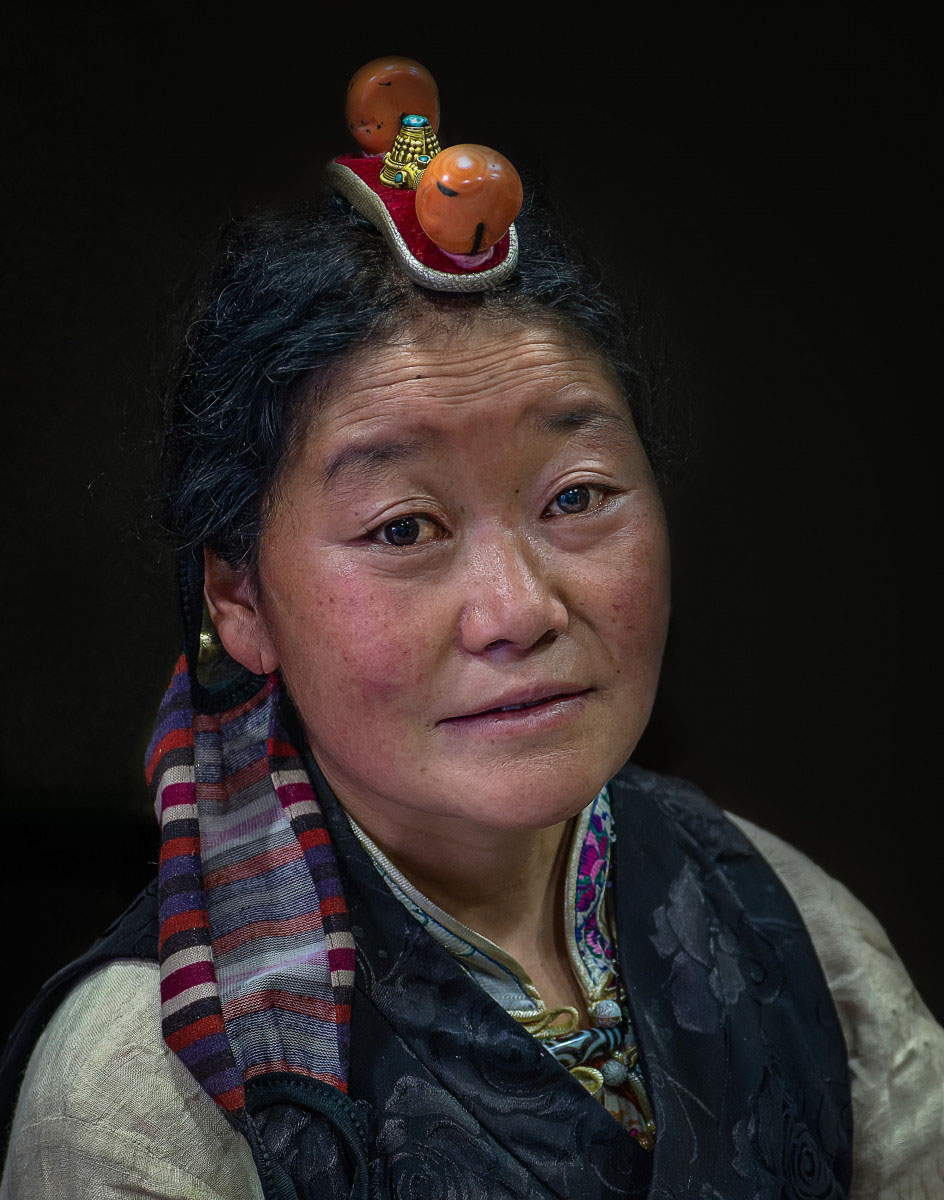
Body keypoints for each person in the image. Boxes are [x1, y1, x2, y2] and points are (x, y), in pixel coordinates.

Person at [1, 63, 942, 1200]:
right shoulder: (140, 1105)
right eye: (403, 527)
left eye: (575, 496)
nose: (519, 610)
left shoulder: (785, 920)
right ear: (238, 598)